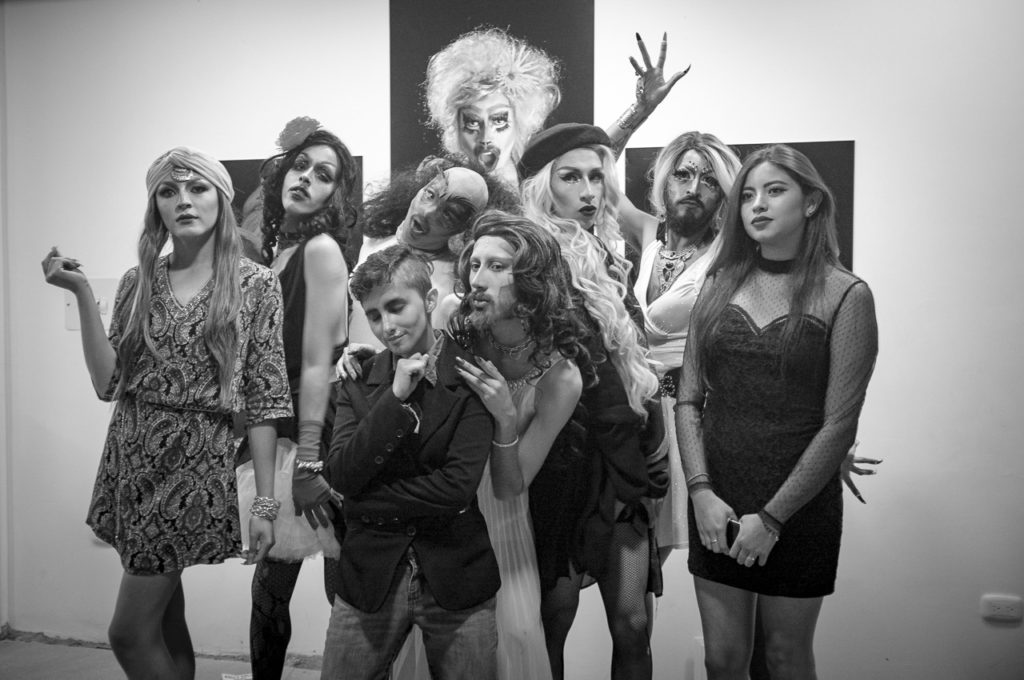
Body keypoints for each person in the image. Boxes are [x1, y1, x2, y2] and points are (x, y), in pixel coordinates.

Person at [41, 147, 292, 679]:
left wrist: (266, 504)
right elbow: (109, 384)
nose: (184, 201)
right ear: (156, 205)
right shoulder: (138, 282)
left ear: (222, 199)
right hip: (130, 459)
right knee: (163, 618)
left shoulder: (254, 284)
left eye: (198, 188)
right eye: (168, 191)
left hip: (191, 467)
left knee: (129, 634)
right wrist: (82, 291)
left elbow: (266, 399)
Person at [676, 144, 878, 679]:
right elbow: (689, 398)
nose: (757, 205)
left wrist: (771, 519)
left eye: (774, 191)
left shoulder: (846, 294)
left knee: (786, 659)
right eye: (747, 195)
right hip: (716, 500)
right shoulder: (718, 282)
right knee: (722, 660)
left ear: (811, 203)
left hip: (798, 507)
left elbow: (839, 424)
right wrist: (700, 493)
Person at [519, 123, 662, 680]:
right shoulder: (527, 256)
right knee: (553, 619)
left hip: (620, 456)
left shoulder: (605, 251)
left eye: (596, 177)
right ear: (543, 185)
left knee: (633, 622)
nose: (587, 191)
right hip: (562, 458)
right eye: (570, 177)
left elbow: (628, 362)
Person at [321, 244, 501, 679]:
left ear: (430, 299)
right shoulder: (359, 378)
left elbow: (456, 488)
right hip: (370, 573)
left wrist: (363, 500)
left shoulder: (472, 377)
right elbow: (341, 473)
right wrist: (395, 396)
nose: (386, 325)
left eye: (396, 306)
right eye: (374, 315)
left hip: (455, 571)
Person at [451, 211, 593, 680]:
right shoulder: (457, 326)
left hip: (505, 524)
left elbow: (511, 486)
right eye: (475, 264)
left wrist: (505, 417)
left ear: (533, 281)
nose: (477, 279)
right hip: (445, 513)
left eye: (497, 267)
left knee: (510, 646)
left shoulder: (561, 376)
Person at [247, 119, 360, 680]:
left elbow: (320, 362)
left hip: (318, 433)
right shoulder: (280, 252)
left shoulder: (320, 250)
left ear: (334, 195)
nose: (306, 178)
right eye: (300, 166)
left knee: (344, 586)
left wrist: (311, 458)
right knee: (270, 586)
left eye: (323, 174)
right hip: (280, 426)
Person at [628, 131, 743, 561]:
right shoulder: (649, 240)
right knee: (634, 559)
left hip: (688, 419)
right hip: (636, 415)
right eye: (683, 174)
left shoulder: (729, 255)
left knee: (674, 552)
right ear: (664, 181)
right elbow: (596, 162)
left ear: (725, 194)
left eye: (710, 180)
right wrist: (637, 113)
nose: (694, 188)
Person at [425, 28, 561, 187]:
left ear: (519, 123)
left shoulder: (543, 188)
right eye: (472, 123)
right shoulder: (440, 186)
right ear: (454, 128)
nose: (485, 138)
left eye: (499, 121)